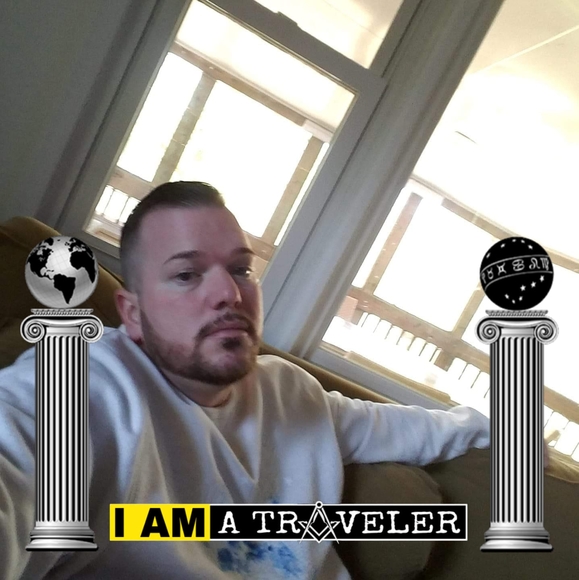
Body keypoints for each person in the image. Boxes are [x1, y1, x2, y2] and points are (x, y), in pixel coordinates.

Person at [0, 181, 490, 579]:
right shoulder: (80, 387)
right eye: (187, 274)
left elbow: (427, 430)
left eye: (240, 269)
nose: (230, 293)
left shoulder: (290, 390)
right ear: (132, 312)